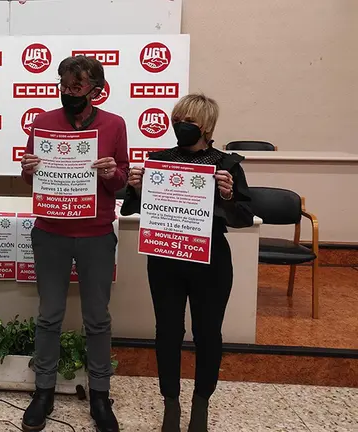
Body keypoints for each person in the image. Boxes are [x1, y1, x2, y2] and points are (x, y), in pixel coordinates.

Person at [120, 93, 254, 432]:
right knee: (167, 331)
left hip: (210, 261)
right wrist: (136, 188)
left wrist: (228, 195)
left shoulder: (227, 165)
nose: (180, 126)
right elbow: (135, 210)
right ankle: (171, 403)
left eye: (189, 121)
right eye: (176, 120)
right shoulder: (159, 161)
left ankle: (201, 404)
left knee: (208, 333)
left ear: (206, 126)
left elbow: (243, 217)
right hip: (165, 258)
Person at [19, 55, 128, 432]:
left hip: (96, 234)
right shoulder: (43, 122)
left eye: (76, 87)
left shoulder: (114, 124)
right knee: (49, 315)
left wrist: (112, 172)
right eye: (63, 85)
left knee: (97, 319)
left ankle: (100, 394)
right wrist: (28, 169)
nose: (68, 92)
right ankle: (43, 390)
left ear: (95, 90)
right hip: (51, 232)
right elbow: (29, 178)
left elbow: (122, 179)